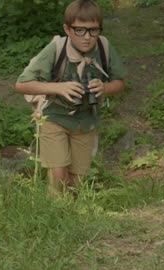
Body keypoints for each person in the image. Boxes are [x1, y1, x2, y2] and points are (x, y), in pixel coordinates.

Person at [15, 0, 126, 195]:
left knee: (77, 182)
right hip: (54, 117)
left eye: (93, 30)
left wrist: (104, 87)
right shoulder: (57, 49)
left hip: (85, 121)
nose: (87, 37)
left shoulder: (103, 47)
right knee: (59, 177)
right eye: (79, 30)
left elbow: (120, 83)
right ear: (67, 29)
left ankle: (72, 219)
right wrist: (59, 88)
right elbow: (22, 84)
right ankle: (56, 216)